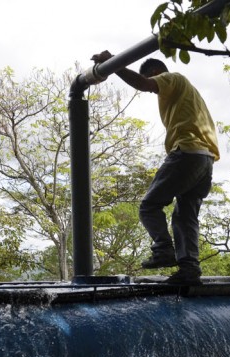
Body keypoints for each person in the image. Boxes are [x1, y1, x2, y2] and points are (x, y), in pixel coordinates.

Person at [91, 51, 219, 286]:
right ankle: (189, 269)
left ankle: (163, 250)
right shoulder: (187, 93)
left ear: (156, 72)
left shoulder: (173, 78)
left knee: (149, 206)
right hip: (205, 159)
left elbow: (143, 83)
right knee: (185, 216)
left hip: (187, 152)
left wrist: (113, 64)